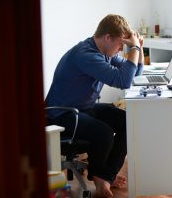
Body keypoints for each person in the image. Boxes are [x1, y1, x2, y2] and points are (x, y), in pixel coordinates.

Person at [45, 14, 144, 197]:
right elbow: (123, 80)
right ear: (107, 37)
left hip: (83, 109)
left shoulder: (102, 51)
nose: (121, 49)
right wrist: (134, 48)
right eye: (120, 44)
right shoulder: (86, 55)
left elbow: (134, 74)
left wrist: (139, 49)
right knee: (104, 132)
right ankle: (100, 181)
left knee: (130, 122)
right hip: (61, 115)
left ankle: (106, 176)